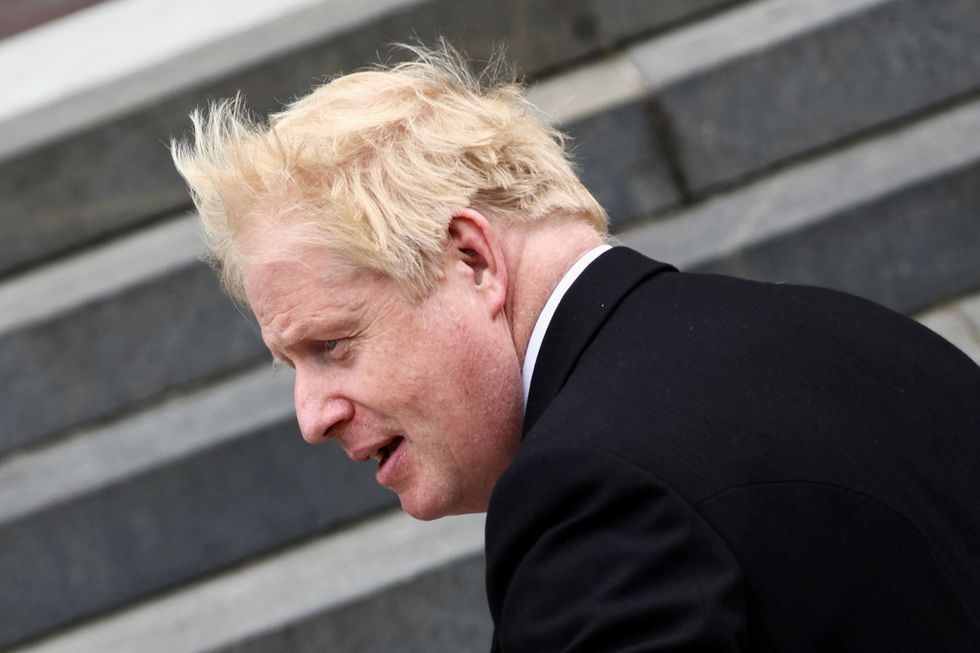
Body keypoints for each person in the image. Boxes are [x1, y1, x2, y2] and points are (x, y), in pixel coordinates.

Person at [172, 45, 980, 651]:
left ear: (473, 259)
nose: (311, 415)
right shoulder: (862, 334)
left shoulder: (594, 489)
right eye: (294, 365)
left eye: (333, 343)